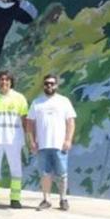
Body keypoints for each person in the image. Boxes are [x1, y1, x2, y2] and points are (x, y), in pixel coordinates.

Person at [27, 73, 77, 211]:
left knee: (62, 173)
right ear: (43, 85)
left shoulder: (64, 101)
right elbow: (30, 123)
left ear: (56, 85)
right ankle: (46, 199)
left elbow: (71, 122)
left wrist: (68, 139)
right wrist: (32, 141)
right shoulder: (37, 103)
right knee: (45, 174)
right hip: (42, 144)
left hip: (59, 144)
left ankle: (63, 199)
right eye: (46, 83)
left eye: (52, 83)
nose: (49, 85)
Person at [0, 71, 29, 210]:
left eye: (7, 80)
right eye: (2, 80)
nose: (4, 82)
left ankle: (15, 199)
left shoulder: (20, 98)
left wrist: (26, 137)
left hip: (14, 139)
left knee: (15, 168)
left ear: (11, 82)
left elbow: (24, 120)